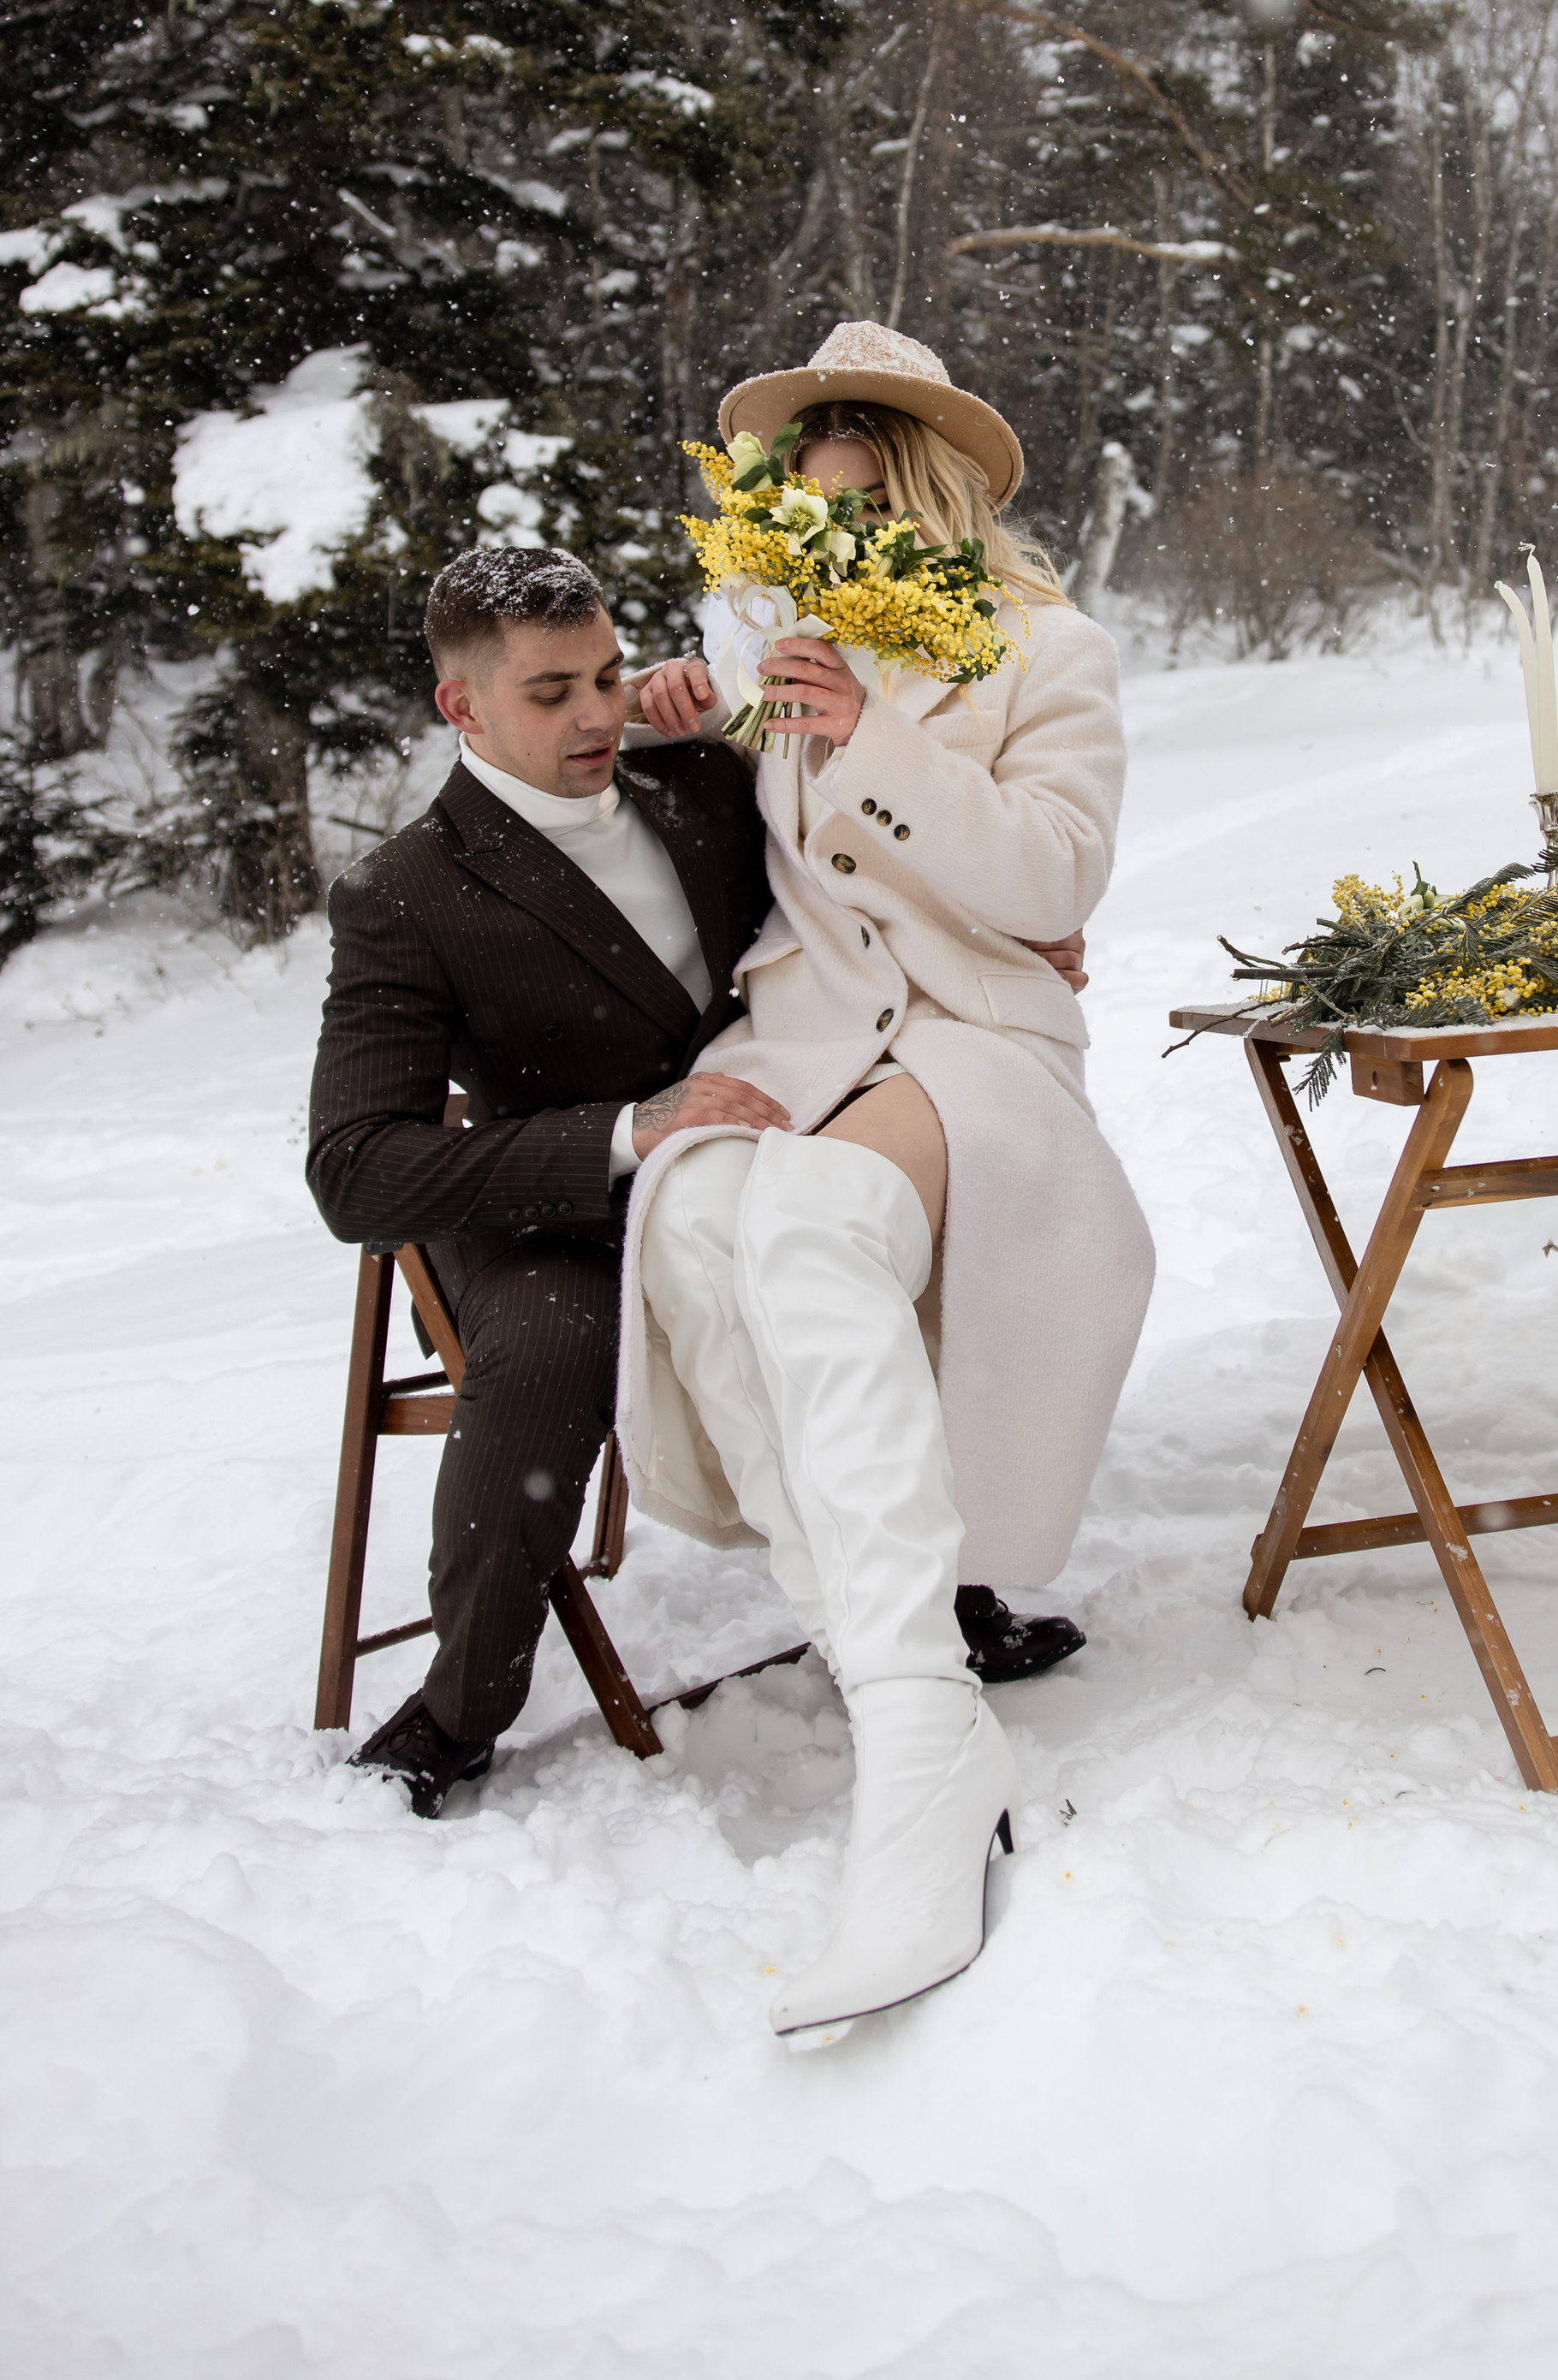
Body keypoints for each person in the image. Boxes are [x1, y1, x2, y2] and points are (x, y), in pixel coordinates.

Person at [621, 318, 1155, 2038]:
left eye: (851, 515)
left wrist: (873, 737)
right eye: (803, 515)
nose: (820, 548)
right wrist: (685, 734)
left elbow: (1051, 873)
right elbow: (784, 864)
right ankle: (917, 1691)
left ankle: (914, 1738)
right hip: (809, 1036)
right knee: (695, 1216)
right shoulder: (783, 644)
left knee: (812, 1224)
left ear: (918, 497)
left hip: (973, 1036)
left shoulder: (1045, 648)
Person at [306, 547, 778, 1815]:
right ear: (463, 707)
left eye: (612, 675)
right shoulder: (406, 893)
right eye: (553, 691)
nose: (597, 715)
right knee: (560, 1340)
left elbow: (855, 874)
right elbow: (356, 1172)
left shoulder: (699, 784)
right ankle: (459, 1711)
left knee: (880, 1239)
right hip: (544, 1209)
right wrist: (624, 1133)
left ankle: (941, 1599)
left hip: (747, 1164)